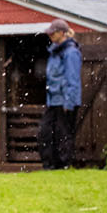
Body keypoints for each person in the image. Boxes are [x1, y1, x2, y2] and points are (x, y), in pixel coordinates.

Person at [38, 19, 82, 169]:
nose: (50, 34)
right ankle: (49, 165)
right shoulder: (54, 52)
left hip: (65, 101)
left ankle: (63, 165)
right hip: (53, 100)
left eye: (53, 32)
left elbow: (73, 79)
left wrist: (68, 102)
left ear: (62, 33)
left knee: (63, 134)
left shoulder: (71, 53)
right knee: (45, 132)